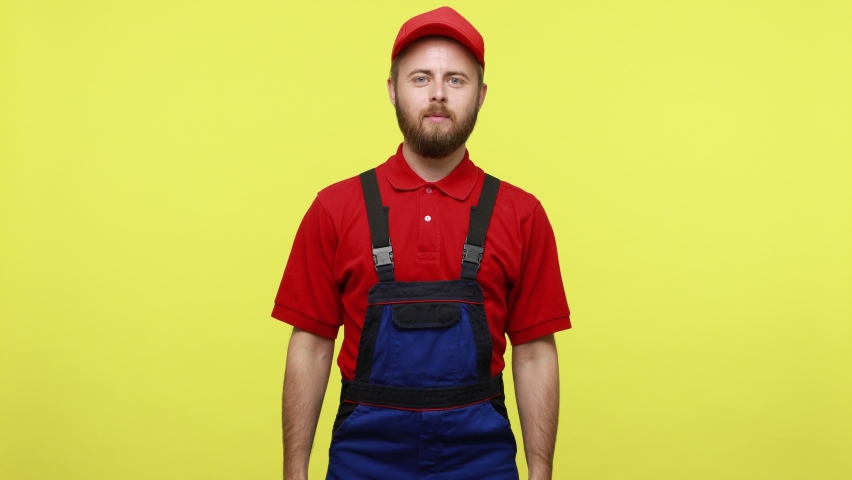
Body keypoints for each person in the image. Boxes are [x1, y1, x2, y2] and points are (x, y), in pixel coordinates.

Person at [272, 6, 571, 480]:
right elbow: (310, 345)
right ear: (393, 90)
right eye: (420, 79)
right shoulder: (335, 207)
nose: (437, 94)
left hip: (482, 461)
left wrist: (540, 474)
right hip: (362, 461)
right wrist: (294, 472)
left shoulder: (522, 214)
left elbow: (534, 352)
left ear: (481, 95)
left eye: (455, 79)